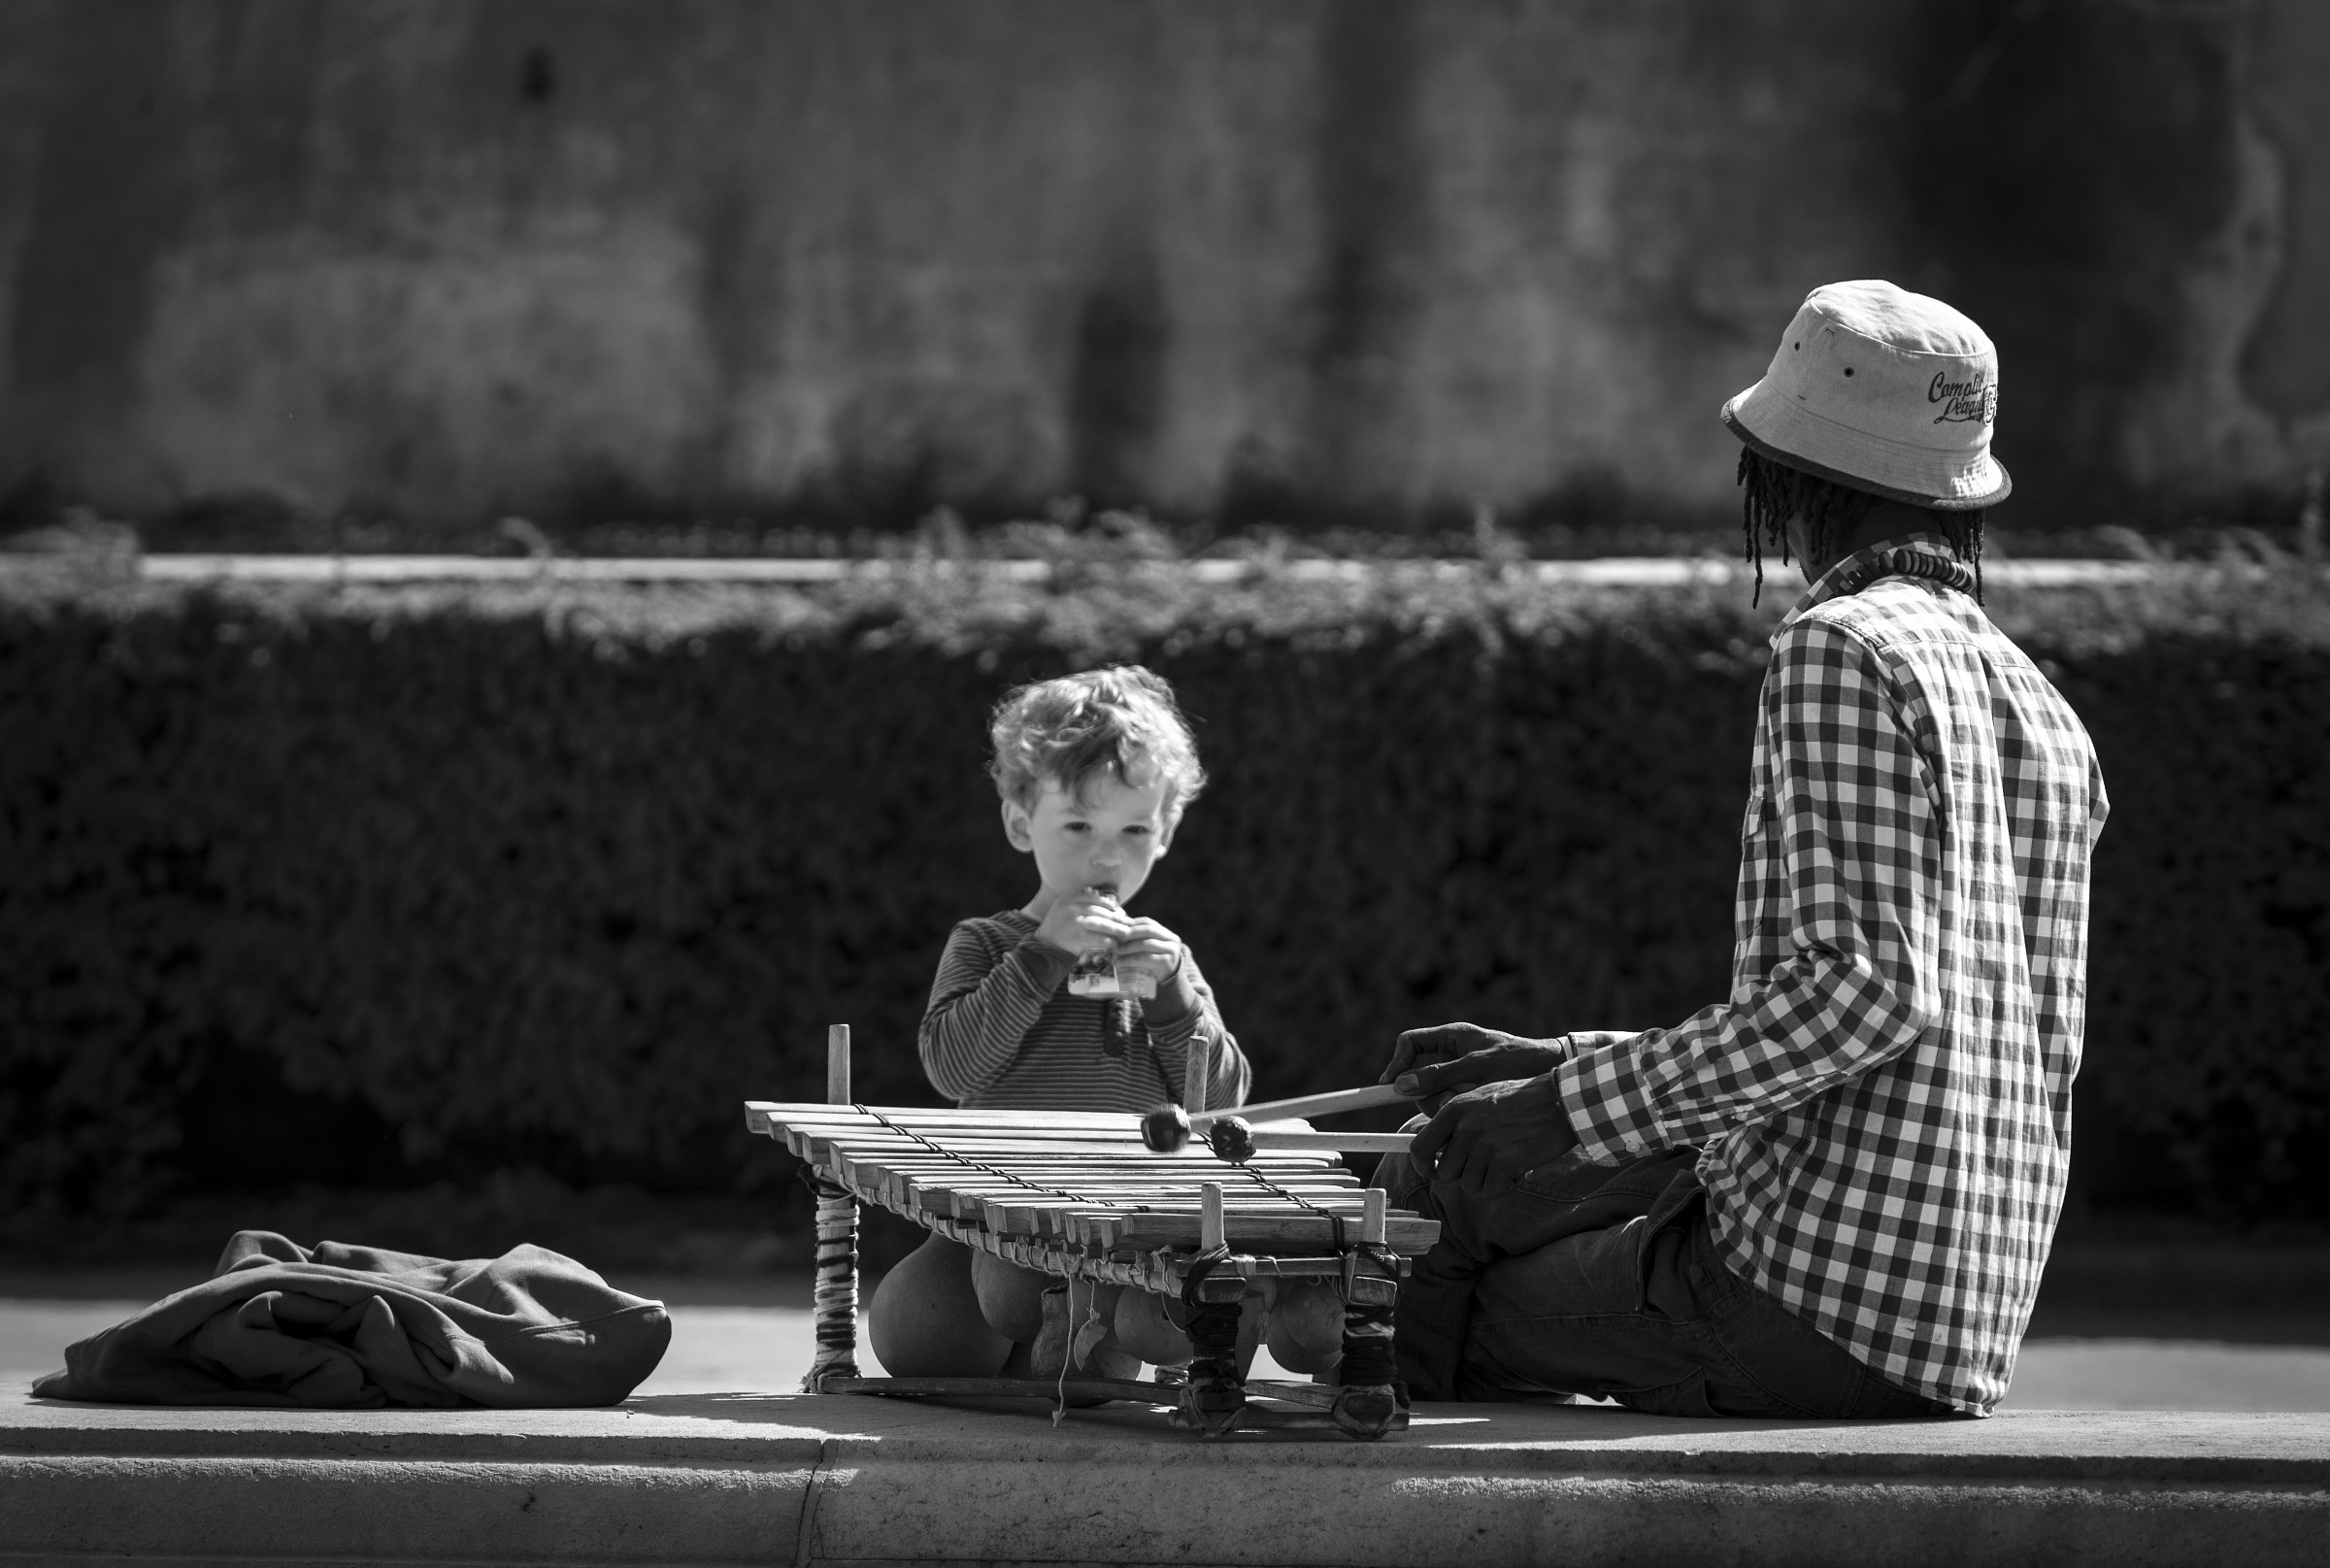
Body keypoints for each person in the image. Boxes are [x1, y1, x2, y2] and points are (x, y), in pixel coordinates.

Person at [1376, 280, 2110, 1418]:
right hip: (1956, 1315)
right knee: (1464, 1177)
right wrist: (1561, 1059)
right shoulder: (2042, 707)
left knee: (1404, 1246)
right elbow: (1918, 1026)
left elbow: (1860, 996)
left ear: (1790, 475)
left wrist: (1556, 1111)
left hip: (1811, 1300)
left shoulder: (1841, 646)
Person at [866, 665, 1248, 1378]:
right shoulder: (987, 942)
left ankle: (1070, 1348)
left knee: (1099, 1364)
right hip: (992, 1213)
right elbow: (952, 1067)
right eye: (1078, 823)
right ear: (1020, 822)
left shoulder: (1167, 961)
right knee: (921, 1333)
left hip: (1120, 1229)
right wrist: (1041, 957)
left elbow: (1222, 1105)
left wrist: (1170, 999)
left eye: (1134, 827)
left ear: (1165, 832)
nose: (1106, 854)